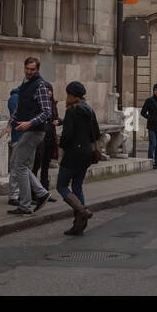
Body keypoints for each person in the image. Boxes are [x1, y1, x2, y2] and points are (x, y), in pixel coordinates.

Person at [7, 57, 52, 214]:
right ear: (24, 67)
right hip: (27, 130)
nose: (29, 72)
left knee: (18, 164)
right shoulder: (25, 84)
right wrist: (9, 124)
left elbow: (47, 112)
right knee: (21, 165)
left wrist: (30, 123)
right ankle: (40, 194)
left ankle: (26, 204)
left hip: (35, 130)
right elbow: (20, 107)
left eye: (32, 69)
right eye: (27, 69)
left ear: (37, 70)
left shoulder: (40, 85)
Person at [57, 81, 101, 235]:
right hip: (87, 153)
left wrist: (61, 145)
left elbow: (67, 135)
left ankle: (82, 211)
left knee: (61, 185)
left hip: (73, 154)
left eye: (67, 93)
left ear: (72, 95)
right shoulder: (89, 110)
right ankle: (79, 225)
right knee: (77, 187)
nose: (66, 97)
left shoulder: (71, 111)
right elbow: (96, 132)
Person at [32, 79, 60, 201]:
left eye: (50, 91)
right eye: (47, 91)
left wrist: (58, 121)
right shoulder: (38, 104)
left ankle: (45, 193)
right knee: (35, 166)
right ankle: (33, 194)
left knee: (45, 167)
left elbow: (56, 118)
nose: (49, 93)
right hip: (40, 139)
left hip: (50, 138)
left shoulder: (53, 104)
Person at [0, 85, 22, 206]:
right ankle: (14, 195)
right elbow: (16, 116)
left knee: (23, 168)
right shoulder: (15, 98)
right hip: (19, 137)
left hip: (26, 137)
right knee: (16, 167)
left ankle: (28, 193)